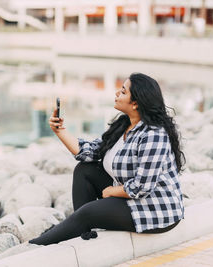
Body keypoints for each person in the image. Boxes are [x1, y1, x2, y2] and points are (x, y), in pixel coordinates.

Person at [28, 72, 185, 245]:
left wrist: (112, 191)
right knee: (85, 170)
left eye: (123, 92)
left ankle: (36, 245)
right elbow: (90, 152)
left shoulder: (153, 134)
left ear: (135, 103)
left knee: (88, 213)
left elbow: (142, 187)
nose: (117, 93)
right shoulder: (124, 125)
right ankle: (82, 229)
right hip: (130, 195)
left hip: (155, 209)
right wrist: (60, 131)